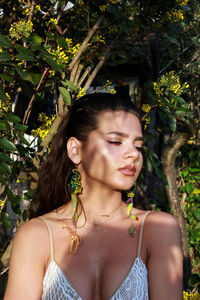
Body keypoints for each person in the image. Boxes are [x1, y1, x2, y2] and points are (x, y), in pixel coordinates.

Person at [4, 93, 183, 300]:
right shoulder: (37, 236)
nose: (134, 154)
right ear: (75, 150)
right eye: (116, 141)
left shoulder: (157, 230)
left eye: (138, 146)